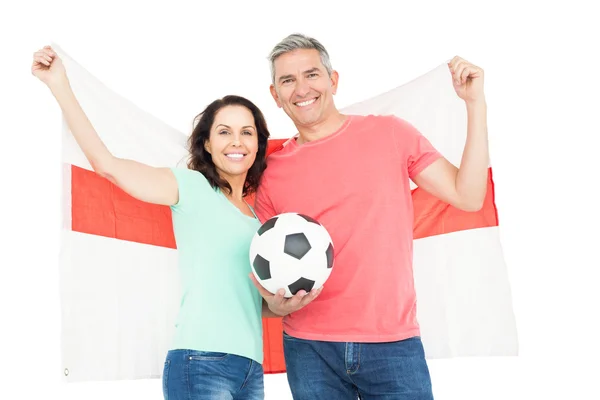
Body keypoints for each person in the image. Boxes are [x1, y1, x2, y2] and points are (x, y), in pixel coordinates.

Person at [31, 45, 319, 400]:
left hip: (249, 370)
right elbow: (107, 164)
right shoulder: (191, 187)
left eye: (247, 132)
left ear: (259, 144)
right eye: (224, 132)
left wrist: (279, 306)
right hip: (200, 361)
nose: (237, 142)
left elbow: (244, 300)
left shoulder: (258, 220)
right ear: (208, 144)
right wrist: (58, 84)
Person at [250, 33, 490, 399]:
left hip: (392, 344)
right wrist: (275, 305)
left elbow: (468, 196)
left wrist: (475, 103)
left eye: (312, 74)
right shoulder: (270, 172)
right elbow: (264, 278)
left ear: (333, 80)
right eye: (288, 80)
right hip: (309, 348)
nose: (302, 89)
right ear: (275, 95)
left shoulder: (390, 133)